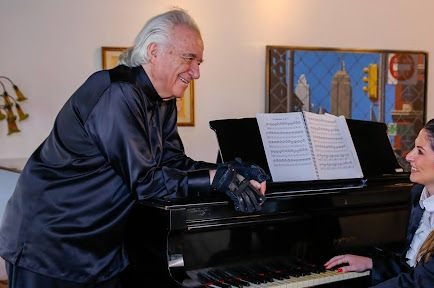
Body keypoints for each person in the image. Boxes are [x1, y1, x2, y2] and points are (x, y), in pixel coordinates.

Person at [0, 7, 268, 288]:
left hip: (102, 247)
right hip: (51, 242)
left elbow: (175, 162)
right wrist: (218, 179)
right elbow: (147, 182)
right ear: (154, 52)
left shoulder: (163, 101)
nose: (197, 72)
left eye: (200, 62)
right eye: (189, 59)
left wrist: (228, 170)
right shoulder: (117, 94)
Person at [325, 117, 434, 287]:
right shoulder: (419, 195)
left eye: (420, 151)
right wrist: (372, 263)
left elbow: (422, 282)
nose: (409, 156)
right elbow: (413, 267)